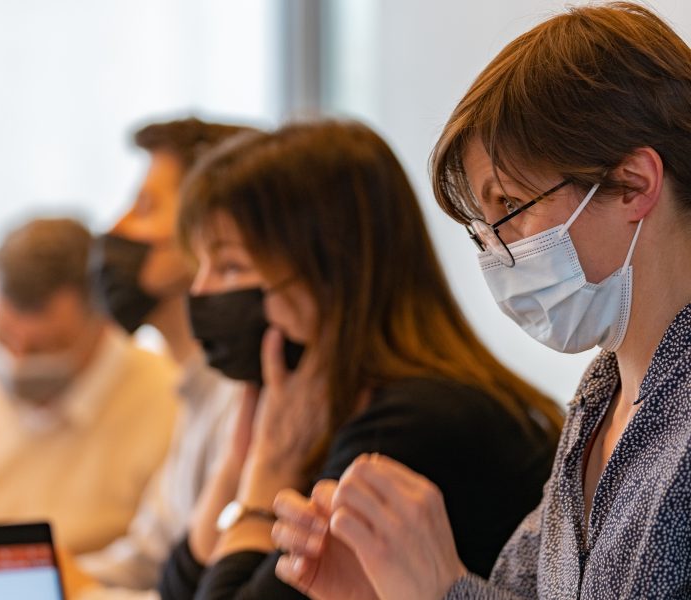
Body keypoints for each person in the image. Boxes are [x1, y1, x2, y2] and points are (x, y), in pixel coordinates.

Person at [273, 3, 691, 599]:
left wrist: (442, 588)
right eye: (483, 228)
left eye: (510, 207)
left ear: (633, 184)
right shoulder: (602, 399)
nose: (497, 252)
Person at [157, 120, 563, 599]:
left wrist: (264, 478)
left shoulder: (411, 423)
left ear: (329, 272)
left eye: (230, 266)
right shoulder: (323, 409)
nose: (200, 291)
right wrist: (237, 462)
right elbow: (175, 588)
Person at [0, 218, 178, 555]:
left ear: (102, 321)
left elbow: (161, 562)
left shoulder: (169, 402)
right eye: (4, 337)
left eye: (45, 348)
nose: (18, 361)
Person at [74, 118, 254, 596]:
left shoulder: (244, 405)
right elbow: (145, 558)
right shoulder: (196, 390)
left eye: (146, 205)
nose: (117, 228)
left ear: (211, 231)